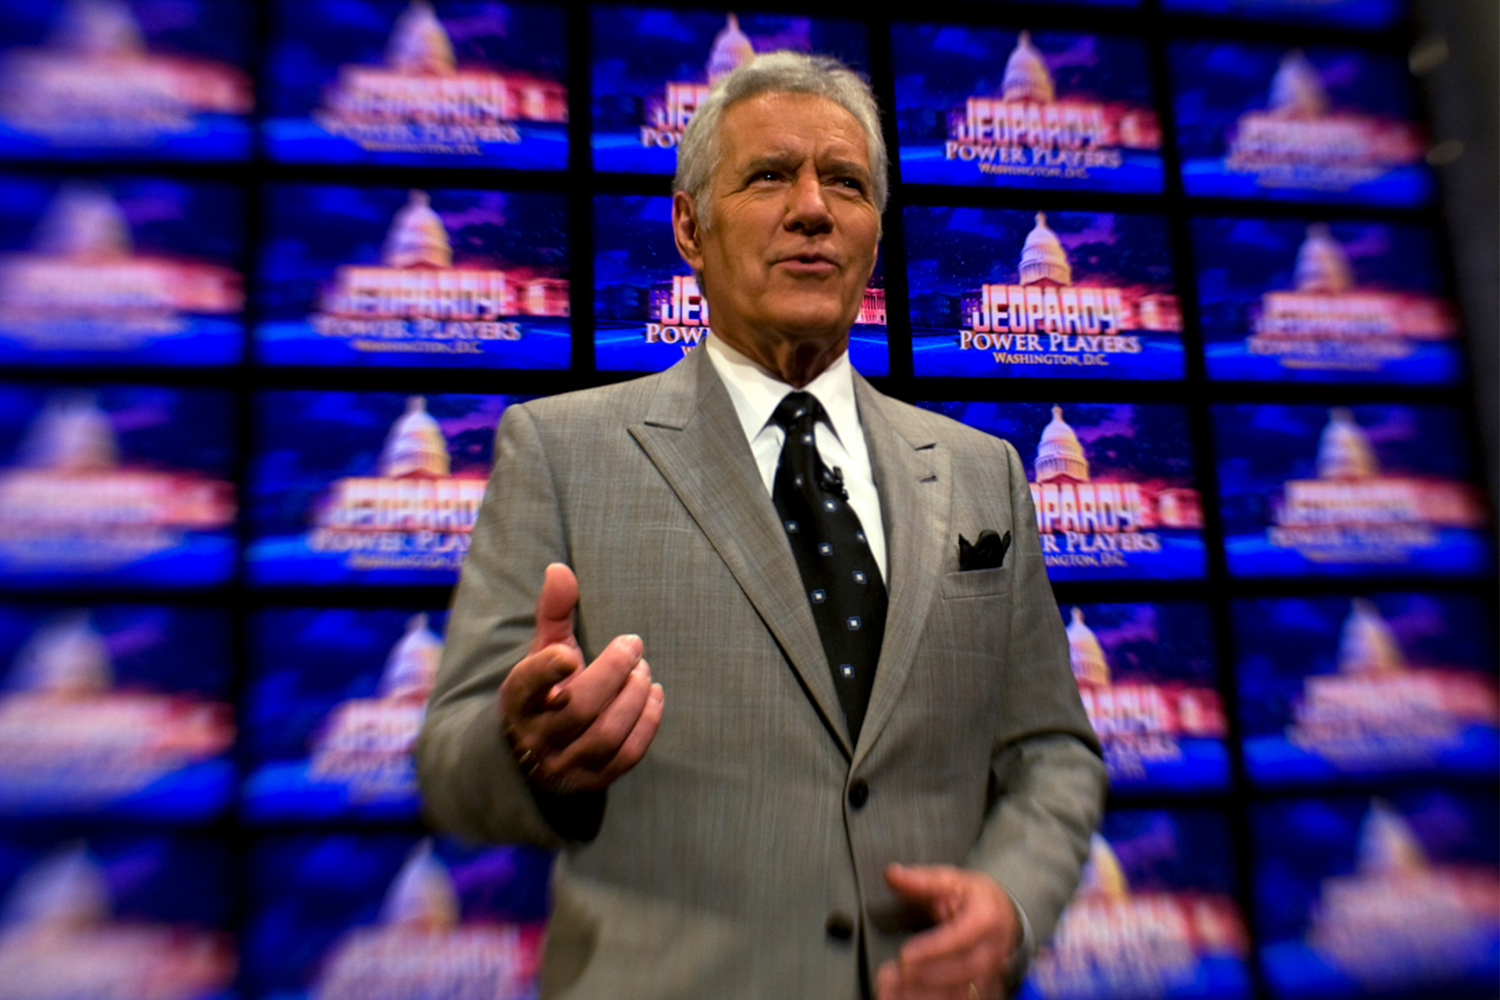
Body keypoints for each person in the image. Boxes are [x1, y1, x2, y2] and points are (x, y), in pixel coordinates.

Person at [417, 51, 1106, 1000]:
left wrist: (1013, 902)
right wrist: (532, 752)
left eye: (847, 183)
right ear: (688, 227)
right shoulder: (558, 451)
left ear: (875, 231)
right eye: (771, 175)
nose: (813, 208)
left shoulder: (985, 472)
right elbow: (451, 765)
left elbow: (1053, 753)